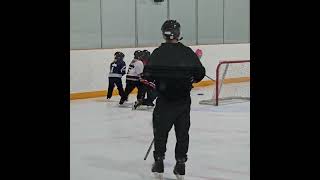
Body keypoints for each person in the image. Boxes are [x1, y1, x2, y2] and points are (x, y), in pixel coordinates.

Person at [143, 20, 206, 178]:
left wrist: (160, 81)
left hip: (164, 100)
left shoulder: (157, 53)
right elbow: (200, 73)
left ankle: (159, 162)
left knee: (160, 132)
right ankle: (180, 163)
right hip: (182, 101)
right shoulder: (186, 52)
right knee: (182, 133)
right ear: (178, 34)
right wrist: (189, 78)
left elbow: (147, 74)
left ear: (163, 34)